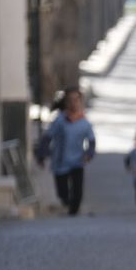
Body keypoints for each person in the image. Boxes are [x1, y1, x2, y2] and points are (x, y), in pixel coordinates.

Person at [38, 88, 96, 216]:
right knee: (63, 193)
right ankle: (67, 205)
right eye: (70, 100)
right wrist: (41, 154)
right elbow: (47, 137)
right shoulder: (59, 121)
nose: (73, 103)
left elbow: (91, 141)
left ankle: (73, 212)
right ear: (65, 102)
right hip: (60, 162)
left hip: (77, 161)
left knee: (77, 193)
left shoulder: (85, 123)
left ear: (80, 102)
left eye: (76, 100)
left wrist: (89, 154)